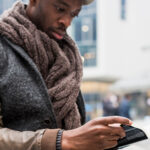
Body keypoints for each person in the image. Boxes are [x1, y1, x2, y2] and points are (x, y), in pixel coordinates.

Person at [0, 0, 132, 150]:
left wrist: (96, 138)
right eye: (60, 9)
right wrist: (58, 141)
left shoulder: (67, 57)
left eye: (74, 14)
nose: (67, 22)